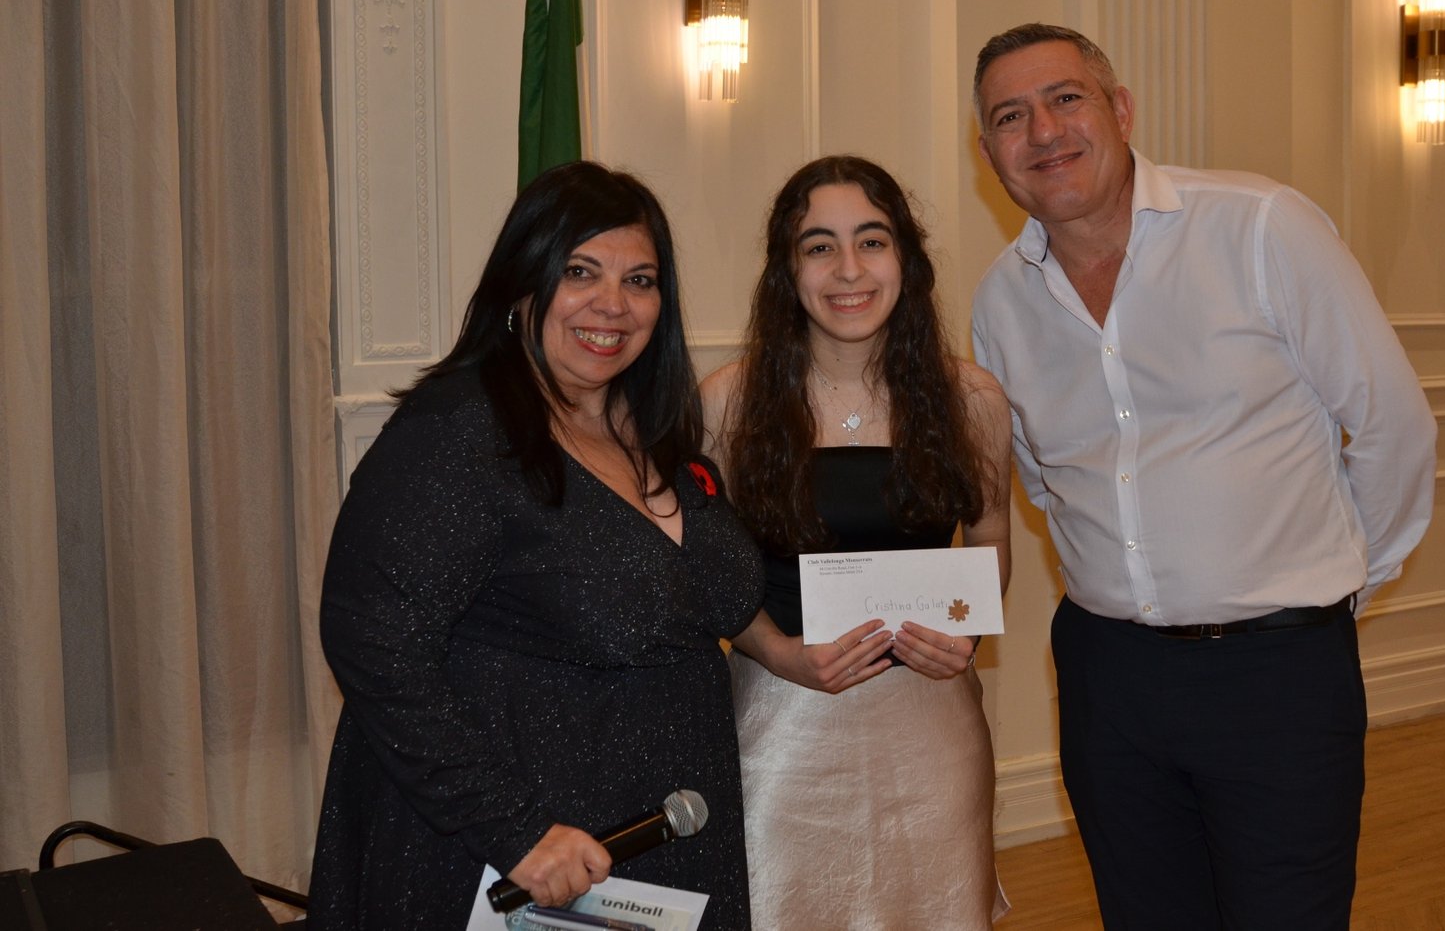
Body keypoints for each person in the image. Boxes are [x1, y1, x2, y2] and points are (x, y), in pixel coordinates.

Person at [969, 23, 1437, 929]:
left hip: (1278, 676)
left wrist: (1332, 596)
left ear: (1121, 109)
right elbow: (1043, 480)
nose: (1044, 132)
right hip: (1109, 680)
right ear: (988, 153)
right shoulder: (1000, 300)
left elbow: (1393, 427)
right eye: (1010, 117)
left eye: (1066, 99)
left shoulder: (1261, 227)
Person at [307, 161, 764, 930]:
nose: (612, 304)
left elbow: (709, 598)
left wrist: (803, 651)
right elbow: (373, 643)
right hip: (516, 862)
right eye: (580, 271)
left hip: (667, 841)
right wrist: (512, 830)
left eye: (640, 280)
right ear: (521, 286)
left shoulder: (658, 434)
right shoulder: (458, 432)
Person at [700, 155, 1015, 929]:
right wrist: (776, 652)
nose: (849, 269)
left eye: (872, 241)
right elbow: (706, 567)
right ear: (788, 269)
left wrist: (967, 633)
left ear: (906, 258)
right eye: (820, 246)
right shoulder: (728, 401)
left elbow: (991, 533)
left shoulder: (971, 398)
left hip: (931, 720)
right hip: (781, 721)